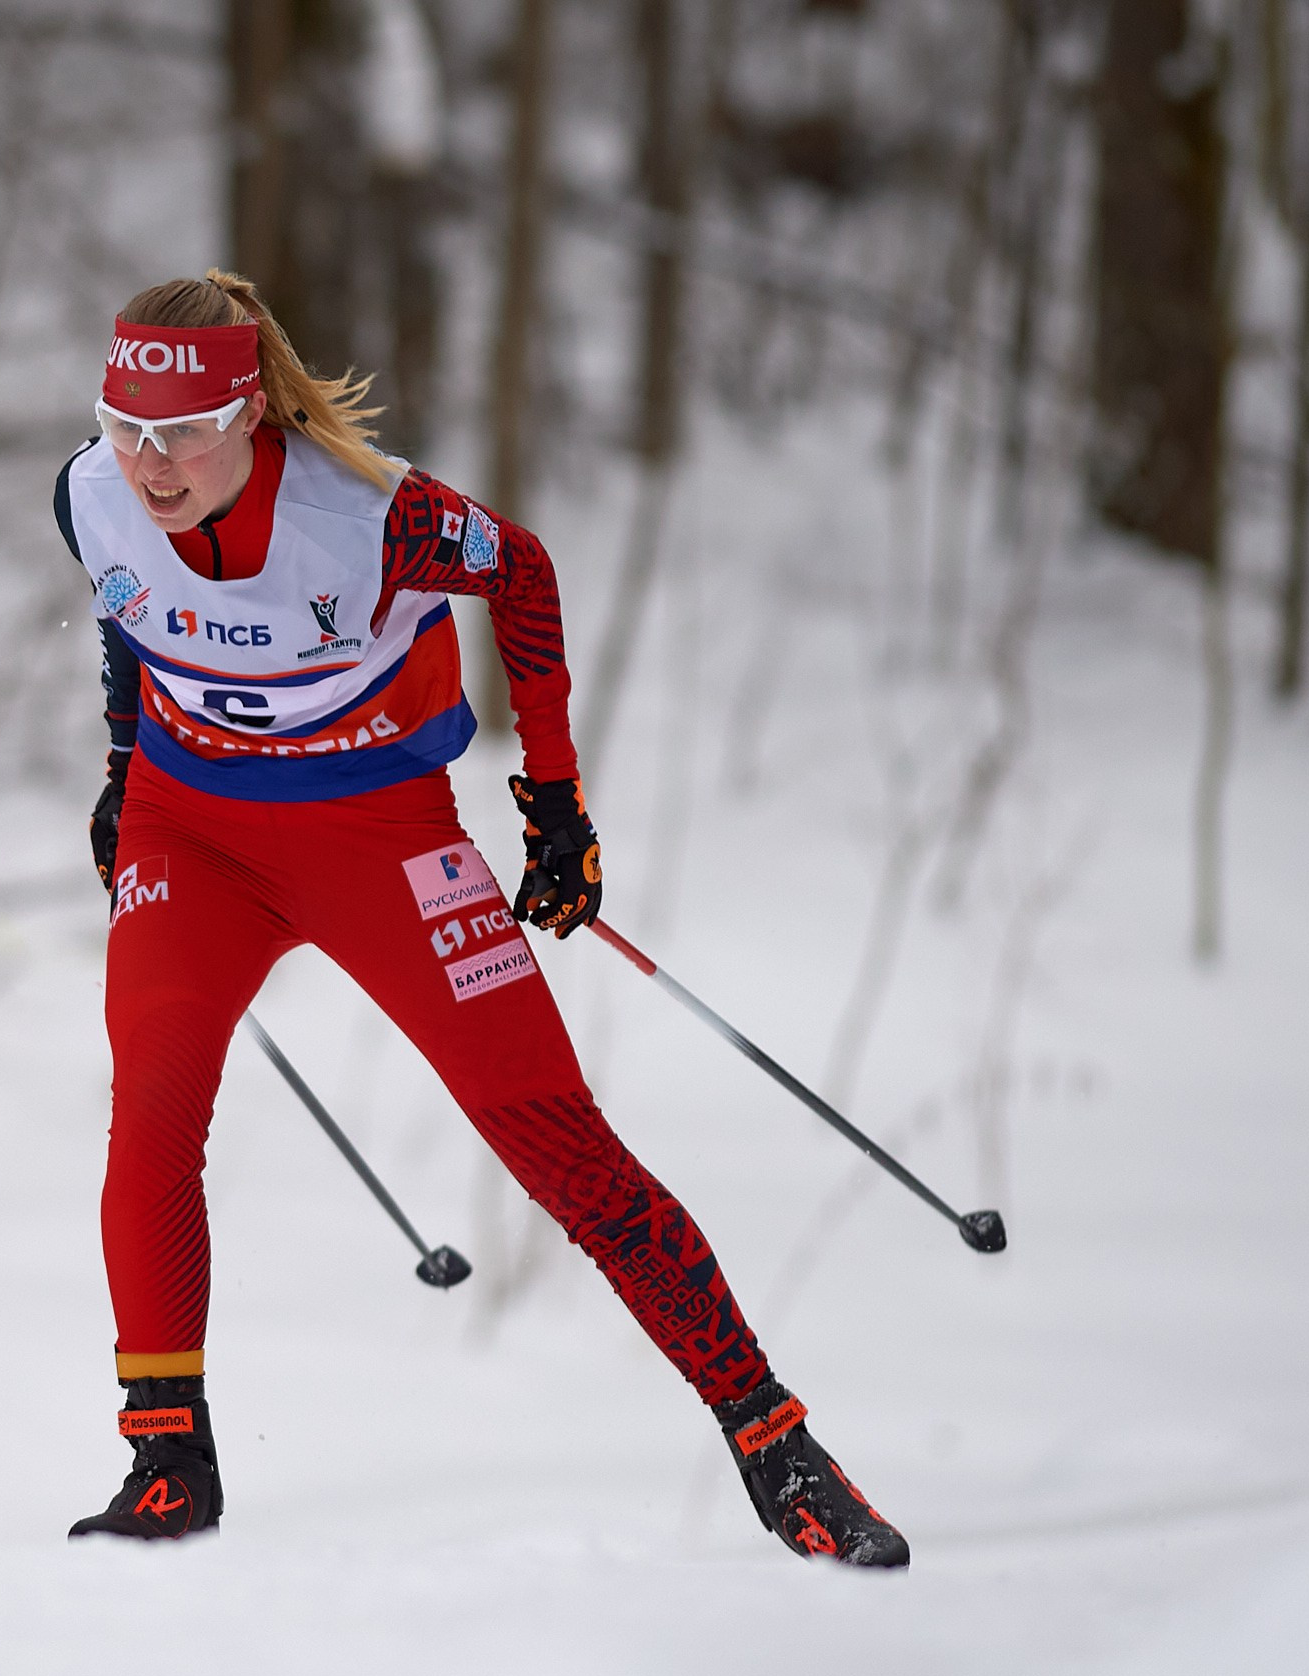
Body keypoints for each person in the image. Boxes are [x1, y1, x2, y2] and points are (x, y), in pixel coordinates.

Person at [52, 270, 904, 1567]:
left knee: (550, 1135)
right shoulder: (92, 492)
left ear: (253, 416)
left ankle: (775, 1441)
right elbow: (129, 615)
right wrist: (125, 767)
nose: (150, 463)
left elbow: (528, 576)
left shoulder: (371, 520)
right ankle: (168, 1460)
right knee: (153, 1108)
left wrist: (553, 803)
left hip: (380, 837)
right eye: (126, 427)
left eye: (181, 433)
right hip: (197, 832)